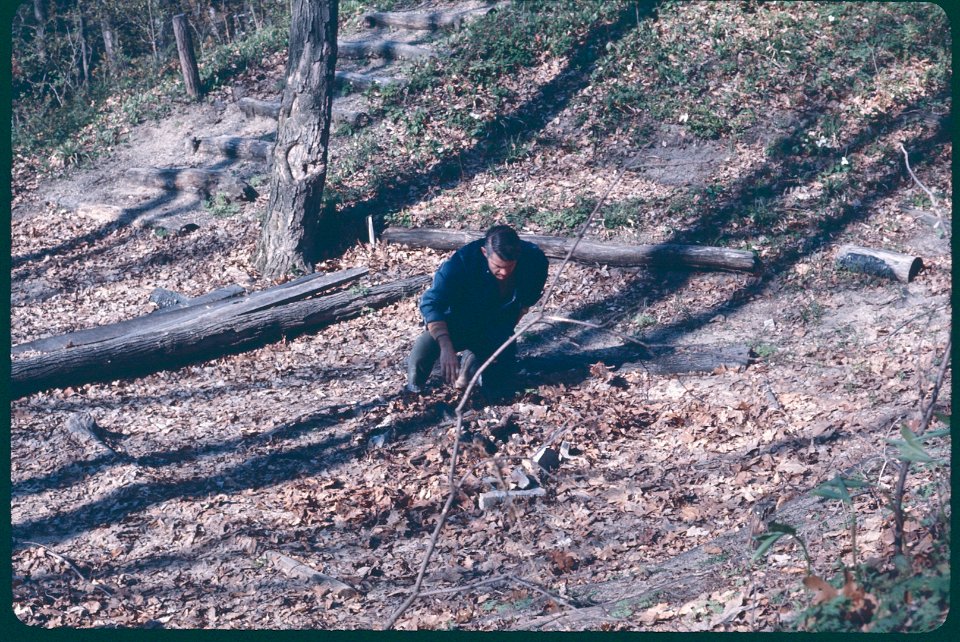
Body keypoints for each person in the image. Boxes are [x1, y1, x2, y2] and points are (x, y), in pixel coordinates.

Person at [406, 224, 549, 400]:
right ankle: (413, 389)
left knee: (500, 388)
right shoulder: (461, 263)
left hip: (497, 322)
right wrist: (446, 346)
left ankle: (476, 377)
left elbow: (525, 303)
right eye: (498, 266)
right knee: (426, 344)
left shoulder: (534, 261)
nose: (504, 272)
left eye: (510, 266)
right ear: (484, 253)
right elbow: (431, 303)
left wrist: (500, 335)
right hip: (459, 320)